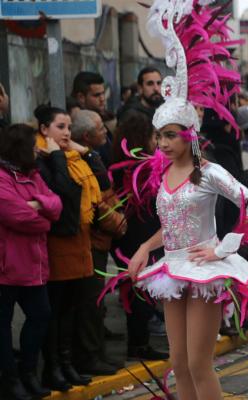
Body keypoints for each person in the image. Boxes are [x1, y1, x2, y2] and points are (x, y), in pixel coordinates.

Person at [127, 4, 248, 399]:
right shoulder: (165, 173)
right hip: (172, 267)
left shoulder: (209, 171)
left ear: (189, 135)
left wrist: (224, 246)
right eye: (160, 137)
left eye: (171, 136)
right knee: (177, 362)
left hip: (205, 271)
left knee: (197, 363)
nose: (164, 144)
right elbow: (170, 225)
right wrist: (144, 247)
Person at [34, 104, 102, 391]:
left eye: (69, 127)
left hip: (79, 241)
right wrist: (59, 157)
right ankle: (54, 368)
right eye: (60, 127)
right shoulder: (41, 158)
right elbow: (64, 194)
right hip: (59, 243)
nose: (66, 133)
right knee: (57, 310)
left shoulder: (71, 155)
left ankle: (67, 363)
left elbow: (103, 179)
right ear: (44, 130)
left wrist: (84, 150)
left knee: (71, 308)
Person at [0, 124, 62, 400]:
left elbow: (57, 204)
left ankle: (28, 372)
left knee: (40, 316)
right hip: (5, 267)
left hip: (34, 265)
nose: (38, 149)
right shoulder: (2, 177)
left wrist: (37, 205)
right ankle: (10, 380)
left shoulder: (34, 176)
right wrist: (43, 213)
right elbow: (16, 216)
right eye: (33, 145)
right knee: (2, 326)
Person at [70, 110, 126, 375]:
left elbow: (109, 194)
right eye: (100, 128)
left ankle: (96, 353)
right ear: (86, 136)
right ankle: (89, 357)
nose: (106, 131)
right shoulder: (83, 161)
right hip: (91, 242)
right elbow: (97, 204)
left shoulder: (96, 155)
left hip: (101, 240)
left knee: (96, 301)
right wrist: (118, 222)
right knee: (89, 302)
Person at [110, 110, 169, 361]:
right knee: (141, 293)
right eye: (154, 136)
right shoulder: (143, 169)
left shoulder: (117, 166)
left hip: (131, 236)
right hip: (140, 236)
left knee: (136, 292)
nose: (157, 141)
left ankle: (138, 341)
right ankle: (138, 343)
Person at [71, 71, 115, 166]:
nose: (102, 99)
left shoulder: (103, 117)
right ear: (81, 97)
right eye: (97, 95)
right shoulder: (74, 124)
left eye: (103, 93)